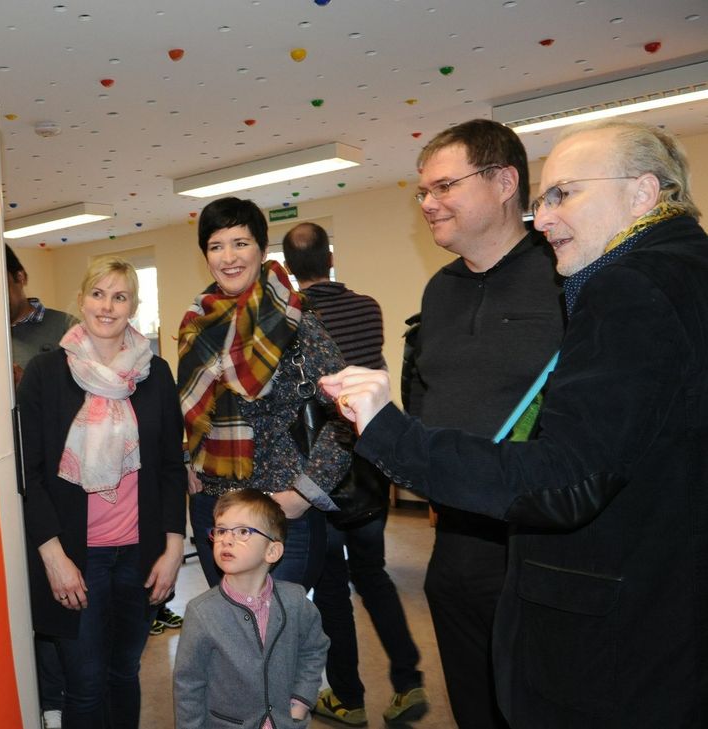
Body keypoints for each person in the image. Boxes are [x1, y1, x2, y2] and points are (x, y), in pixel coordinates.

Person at [322, 120, 708, 728]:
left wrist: (392, 435)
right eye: (543, 200)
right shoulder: (673, 272)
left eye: (564, 195)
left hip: (590, 585)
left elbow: (566, 477)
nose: (546, 216)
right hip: (484, 541)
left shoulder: (614, 285)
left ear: (642, 194)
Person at [405, 119, 566, 729]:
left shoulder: (563, 273)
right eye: (421, 191)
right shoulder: (438, 291)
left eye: (444, 186)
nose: (428, 203)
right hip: (456, 546)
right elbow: (426, 385)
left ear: (504, 182)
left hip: (543, 544)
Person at [18, 256, 187, 729]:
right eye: (98, 294)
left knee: (124, 673)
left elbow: (173, 467)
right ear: (80, 300)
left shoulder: (156, 373)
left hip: (140, 554)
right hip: (76, 555)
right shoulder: (46, 373)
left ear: (133, 306)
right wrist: (53, 556)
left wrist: (174, 547)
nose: (107, 306)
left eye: (120, 296)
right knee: (86, 686)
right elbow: (30, 475)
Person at [282, 222, 427, 726]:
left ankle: (348, 698)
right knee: (373, 573)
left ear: (287, 266)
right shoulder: (369, 307)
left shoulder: (292, 318)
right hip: (367, 462)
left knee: (330, 586)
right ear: (330, 258)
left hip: (319, 468)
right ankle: (408, 680)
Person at [178, 197, 350, 592]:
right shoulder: (196, 325)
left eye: (240, 243)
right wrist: (188, 459)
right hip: (214, 511)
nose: (229, 257)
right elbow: (191, 409)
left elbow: (349, 414)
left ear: (262, 248)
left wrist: (303, 493)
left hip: (279, 510)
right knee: (235, 634)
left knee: (276, 641)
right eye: (216, 246)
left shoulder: (297, 323)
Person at [173, 489, 329, 728]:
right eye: (221, 530)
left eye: (243, 531)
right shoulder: (201, 612)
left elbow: (314, 648)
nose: (226, 539)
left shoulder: (295, 600)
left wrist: (300, 703)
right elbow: (188, 684)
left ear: (272, 551)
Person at [6, 244, 73, 729]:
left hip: (61, 477)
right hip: (9, 474)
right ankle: (50, 704)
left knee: (61, 595)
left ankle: (68, 699)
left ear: (21, 277)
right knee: (34, 594)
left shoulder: (65, 325)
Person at [7, 244, 73, 387]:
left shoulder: (68, 327)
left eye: (1, 286)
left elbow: (87, 391)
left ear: (20, 277)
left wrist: (28, 383)